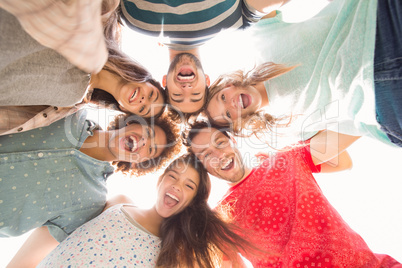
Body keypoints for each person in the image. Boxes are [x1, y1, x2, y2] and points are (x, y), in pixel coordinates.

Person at [183, 121, 402, 267]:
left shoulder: (286, 158)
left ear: (233, 141)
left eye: (220, 143)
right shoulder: (219, 218)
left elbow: (343, 160)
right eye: (206, 155)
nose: (219, 155)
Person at [205, 0, 402, 148]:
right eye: (228, 115)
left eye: (222, 97)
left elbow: (256, 6)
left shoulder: (261, 38)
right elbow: (349, 127)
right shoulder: (291, 129)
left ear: (227, 85)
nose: (230, 103)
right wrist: (391, 136)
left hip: (379, 23)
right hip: (385, 100)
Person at [8, 154, 257, 267]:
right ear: (160, 181)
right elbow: (57, 233)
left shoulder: (175, 253)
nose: (176, 186)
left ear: (192, 202)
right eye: (173, 176)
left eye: (188, 185)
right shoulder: (118, 202)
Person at [0, 108, 181, 243]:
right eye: (147, 133)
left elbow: (39, 248)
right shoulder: (70, 112)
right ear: (132, 121)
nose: (143, 142)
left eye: (150, 149)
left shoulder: (91, 202)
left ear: (140, 162)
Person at [0, 2, 166, 137]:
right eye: (152, 95)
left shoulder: (71, 97)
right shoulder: (103, 24)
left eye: (143, 109)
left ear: (124, 109)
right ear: (146, 78)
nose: (144, 100)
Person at [119, 0, 290, 116]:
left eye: (178, 95)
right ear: (206, 80)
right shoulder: (237, 23)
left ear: (165, 81)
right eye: (195, 94)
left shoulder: (132, 21)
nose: (186, 87)